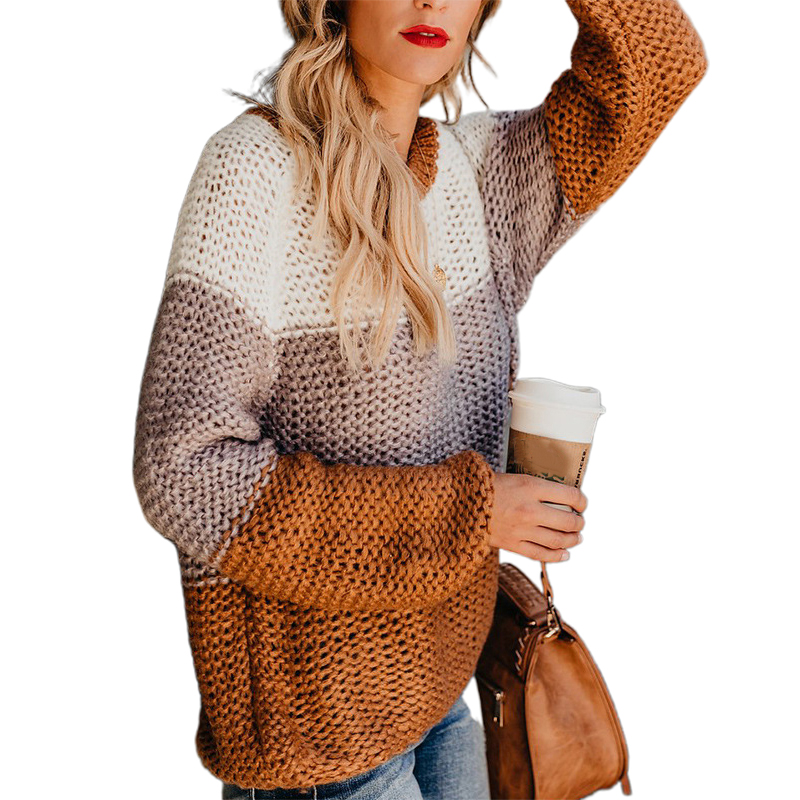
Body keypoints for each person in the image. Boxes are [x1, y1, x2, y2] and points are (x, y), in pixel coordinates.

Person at [132, 0, 707, 797]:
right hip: (318, 744)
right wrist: (473, 514)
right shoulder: (256, 170)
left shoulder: (482, 178)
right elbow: (184, 473)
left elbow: (660, 62)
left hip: (440, 702)